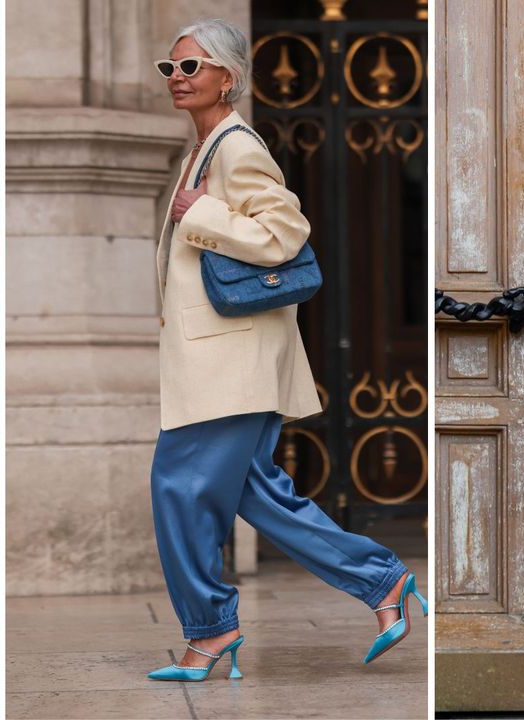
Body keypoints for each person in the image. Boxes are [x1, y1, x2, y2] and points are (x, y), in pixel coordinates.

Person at [145, 18, 426, 683]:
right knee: (262, 496)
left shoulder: (237, 147)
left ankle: (212, 630)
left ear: (228, 77)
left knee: (176, 488)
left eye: (192, 66)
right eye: (171, 68)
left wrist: (203, 215)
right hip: (225, 360)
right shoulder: (206, 148)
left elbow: (286, 230)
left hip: (231, 364)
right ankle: (383, 582)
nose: (178, 78)